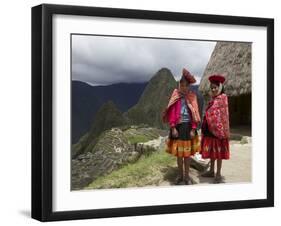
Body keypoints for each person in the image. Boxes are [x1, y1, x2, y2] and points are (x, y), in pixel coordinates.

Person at [162, 68, 201, 185]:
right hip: (178, 128)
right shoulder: (176, 96)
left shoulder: (192, 97)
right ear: (179, 85)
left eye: (186, 85)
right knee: (179, 154)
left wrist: (194, 129)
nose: (183, 87)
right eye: (182, 85)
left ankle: (187, 176)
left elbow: (195, 113)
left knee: (187, 155)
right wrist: (173, 127)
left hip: (188, 127)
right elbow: (172, 112)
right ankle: (180, 175)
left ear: (188, 86)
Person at [200, 74, 230, 183]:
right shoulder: (213, 99)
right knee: (213, 151)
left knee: (218, 152)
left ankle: (218, 173)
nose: (213, 89)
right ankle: (211, 171)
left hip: (219, 131)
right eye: (211, 87)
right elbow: (210, 112)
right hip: (210, 130)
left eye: (215, 87)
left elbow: (221, 114)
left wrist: (212, 119)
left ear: (220, 87)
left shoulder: (223, 98)